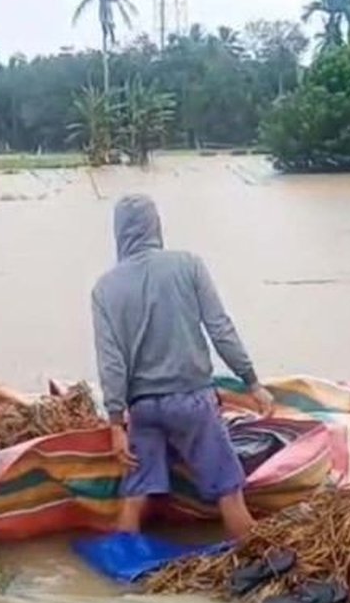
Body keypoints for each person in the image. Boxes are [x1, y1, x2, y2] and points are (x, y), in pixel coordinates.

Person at [90, 193, 274, 540]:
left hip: (142, 409)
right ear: (156, 226)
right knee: (228, 492)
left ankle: (119, 577)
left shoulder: (104, 289)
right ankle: (257, 558)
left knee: (134, 496)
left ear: (119, 233)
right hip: (193, 403)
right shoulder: (188, 265)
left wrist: (116, 423)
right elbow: (220, 328)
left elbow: (110, 362)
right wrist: (251, 381)